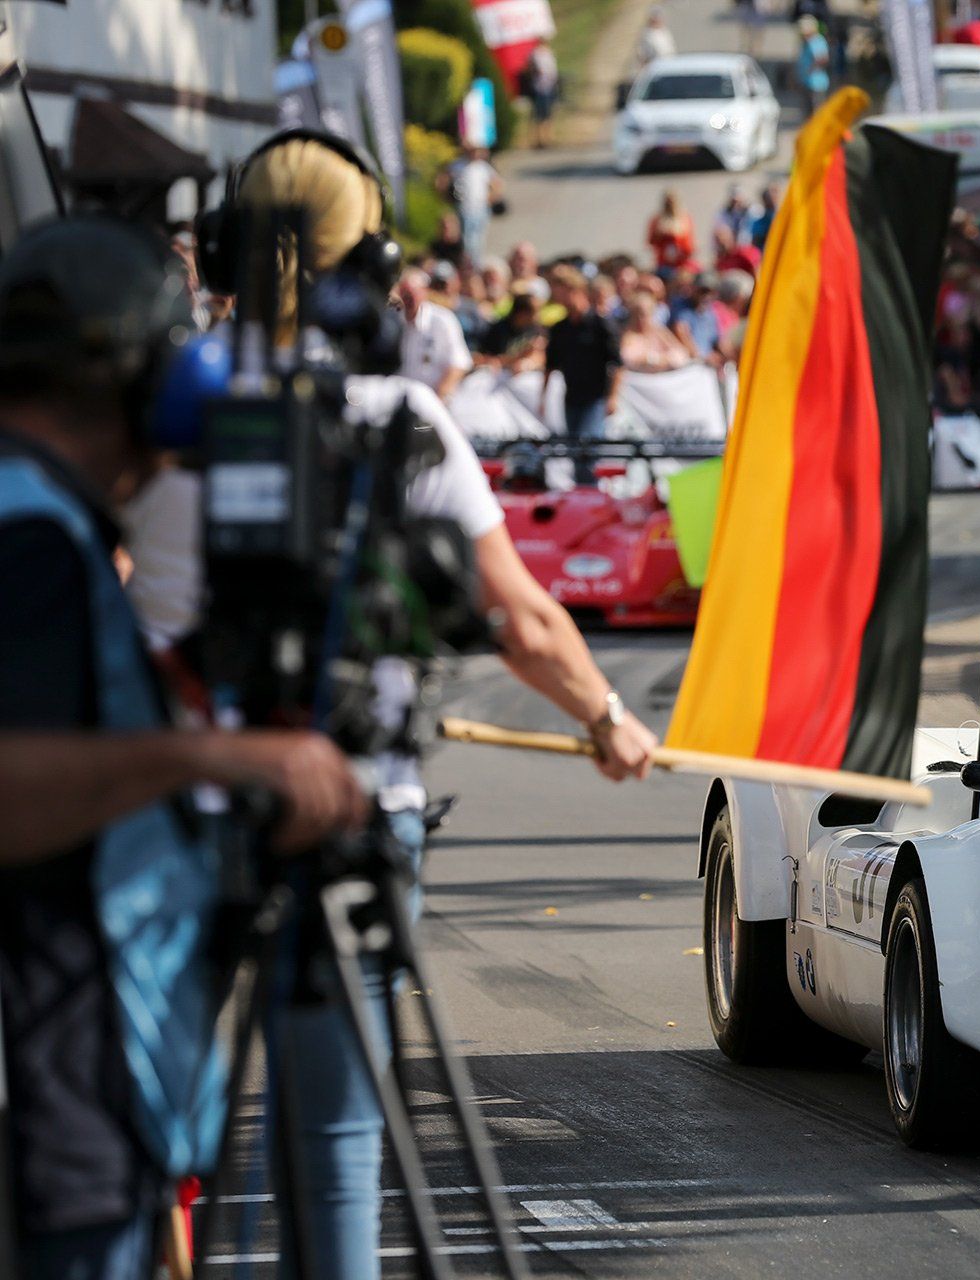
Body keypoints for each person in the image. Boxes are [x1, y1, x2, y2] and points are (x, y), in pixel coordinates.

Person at [221, 132, 657, 1279]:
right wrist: (607, 715)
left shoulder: (179, 409)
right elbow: (522, 618)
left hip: (197, 805)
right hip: (358, 808)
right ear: (365, 265)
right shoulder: (401, 419)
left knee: (172, 1129)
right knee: (336, 1132)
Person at [0, 216, 369, 1277]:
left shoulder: (41, 517)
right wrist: (214, 760)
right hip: (59, 1080)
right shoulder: (31, 532)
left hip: (72, 1079)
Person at [544, 264, 624, 457]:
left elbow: (617, 363)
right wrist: (543, 396)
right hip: (571, 396)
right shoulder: (560, 329)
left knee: (588, 449)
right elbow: (551, 364)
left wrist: (613, 397)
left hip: (595, 397)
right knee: (573, 449)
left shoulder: (601, 325)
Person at [395, 266, 473, 401]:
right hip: (403, 397)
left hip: (435, 398)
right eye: (406, 293)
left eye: (414, 293)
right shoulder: (395, 321)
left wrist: (439, 398)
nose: (409, 298)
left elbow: (459, 364)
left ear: (425, 292)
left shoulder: (442, 320)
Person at [435, 144, 503, 265]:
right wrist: (447, 196)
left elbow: (497, 185)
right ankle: (466, 264)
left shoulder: (483, 167)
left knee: (477, 240)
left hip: (479, 209)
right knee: (466, 240)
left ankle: (474, 265)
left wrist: (487, 200)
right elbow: (442, 180)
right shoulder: (458, 165)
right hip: (463, 208)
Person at [619, 290, 693, 373]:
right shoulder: (627, 335)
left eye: (644, 314)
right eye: (636, 314)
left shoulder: (659, 331)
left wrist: (659, 359)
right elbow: (628, 358)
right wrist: (653, 360)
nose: (640, 319)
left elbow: (682, 354)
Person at [670, 272, 724, 359]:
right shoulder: (680, 306)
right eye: (702, 291)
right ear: (693, 288)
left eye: (710, 292)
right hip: (689, 363)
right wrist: (701, 357)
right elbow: (681, 331)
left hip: (705, 365)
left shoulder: (711, 315)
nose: (706, 296)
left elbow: (718, 342)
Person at [648, 190, 696, 274]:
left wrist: (675, 237)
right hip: (663, 263)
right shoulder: (657, 220)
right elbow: (651, 241)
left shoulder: (684, 219)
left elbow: (690, 246)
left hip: (682, 264)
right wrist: (660, 234)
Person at [523, 39, 560, 149]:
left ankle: (548, 138)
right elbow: (532, 69)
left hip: (549, 87)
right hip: (539, 88)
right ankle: (538, 139)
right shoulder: (535, 55)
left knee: (548, 115)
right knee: (539, 116)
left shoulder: (549, 54)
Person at [795, 15, 830, 116]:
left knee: (816, 112)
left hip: (816, 84)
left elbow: (823, 58)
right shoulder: (806, 42)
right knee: (807, 112)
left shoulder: (817, 40)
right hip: (807, 83)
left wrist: (811, 69)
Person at [748, 180, 782, 249]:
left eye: (775, 193)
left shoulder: (785, 216)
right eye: (768, 196)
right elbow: (755, 243)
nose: (772, 198)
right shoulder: (758, 221)